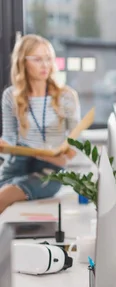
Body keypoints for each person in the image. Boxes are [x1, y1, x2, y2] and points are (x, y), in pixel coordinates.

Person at [0, 34, 80, 214]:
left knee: (3, 196)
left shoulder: (66, 96)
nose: (45, 65)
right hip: (16, 164)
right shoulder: (10, 96)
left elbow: (77, 144)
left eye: (48, 59)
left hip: (50, 169)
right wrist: (4, 145)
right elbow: (10, 138)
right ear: (23, 62)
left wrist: (64, 156)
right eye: (37, 59)